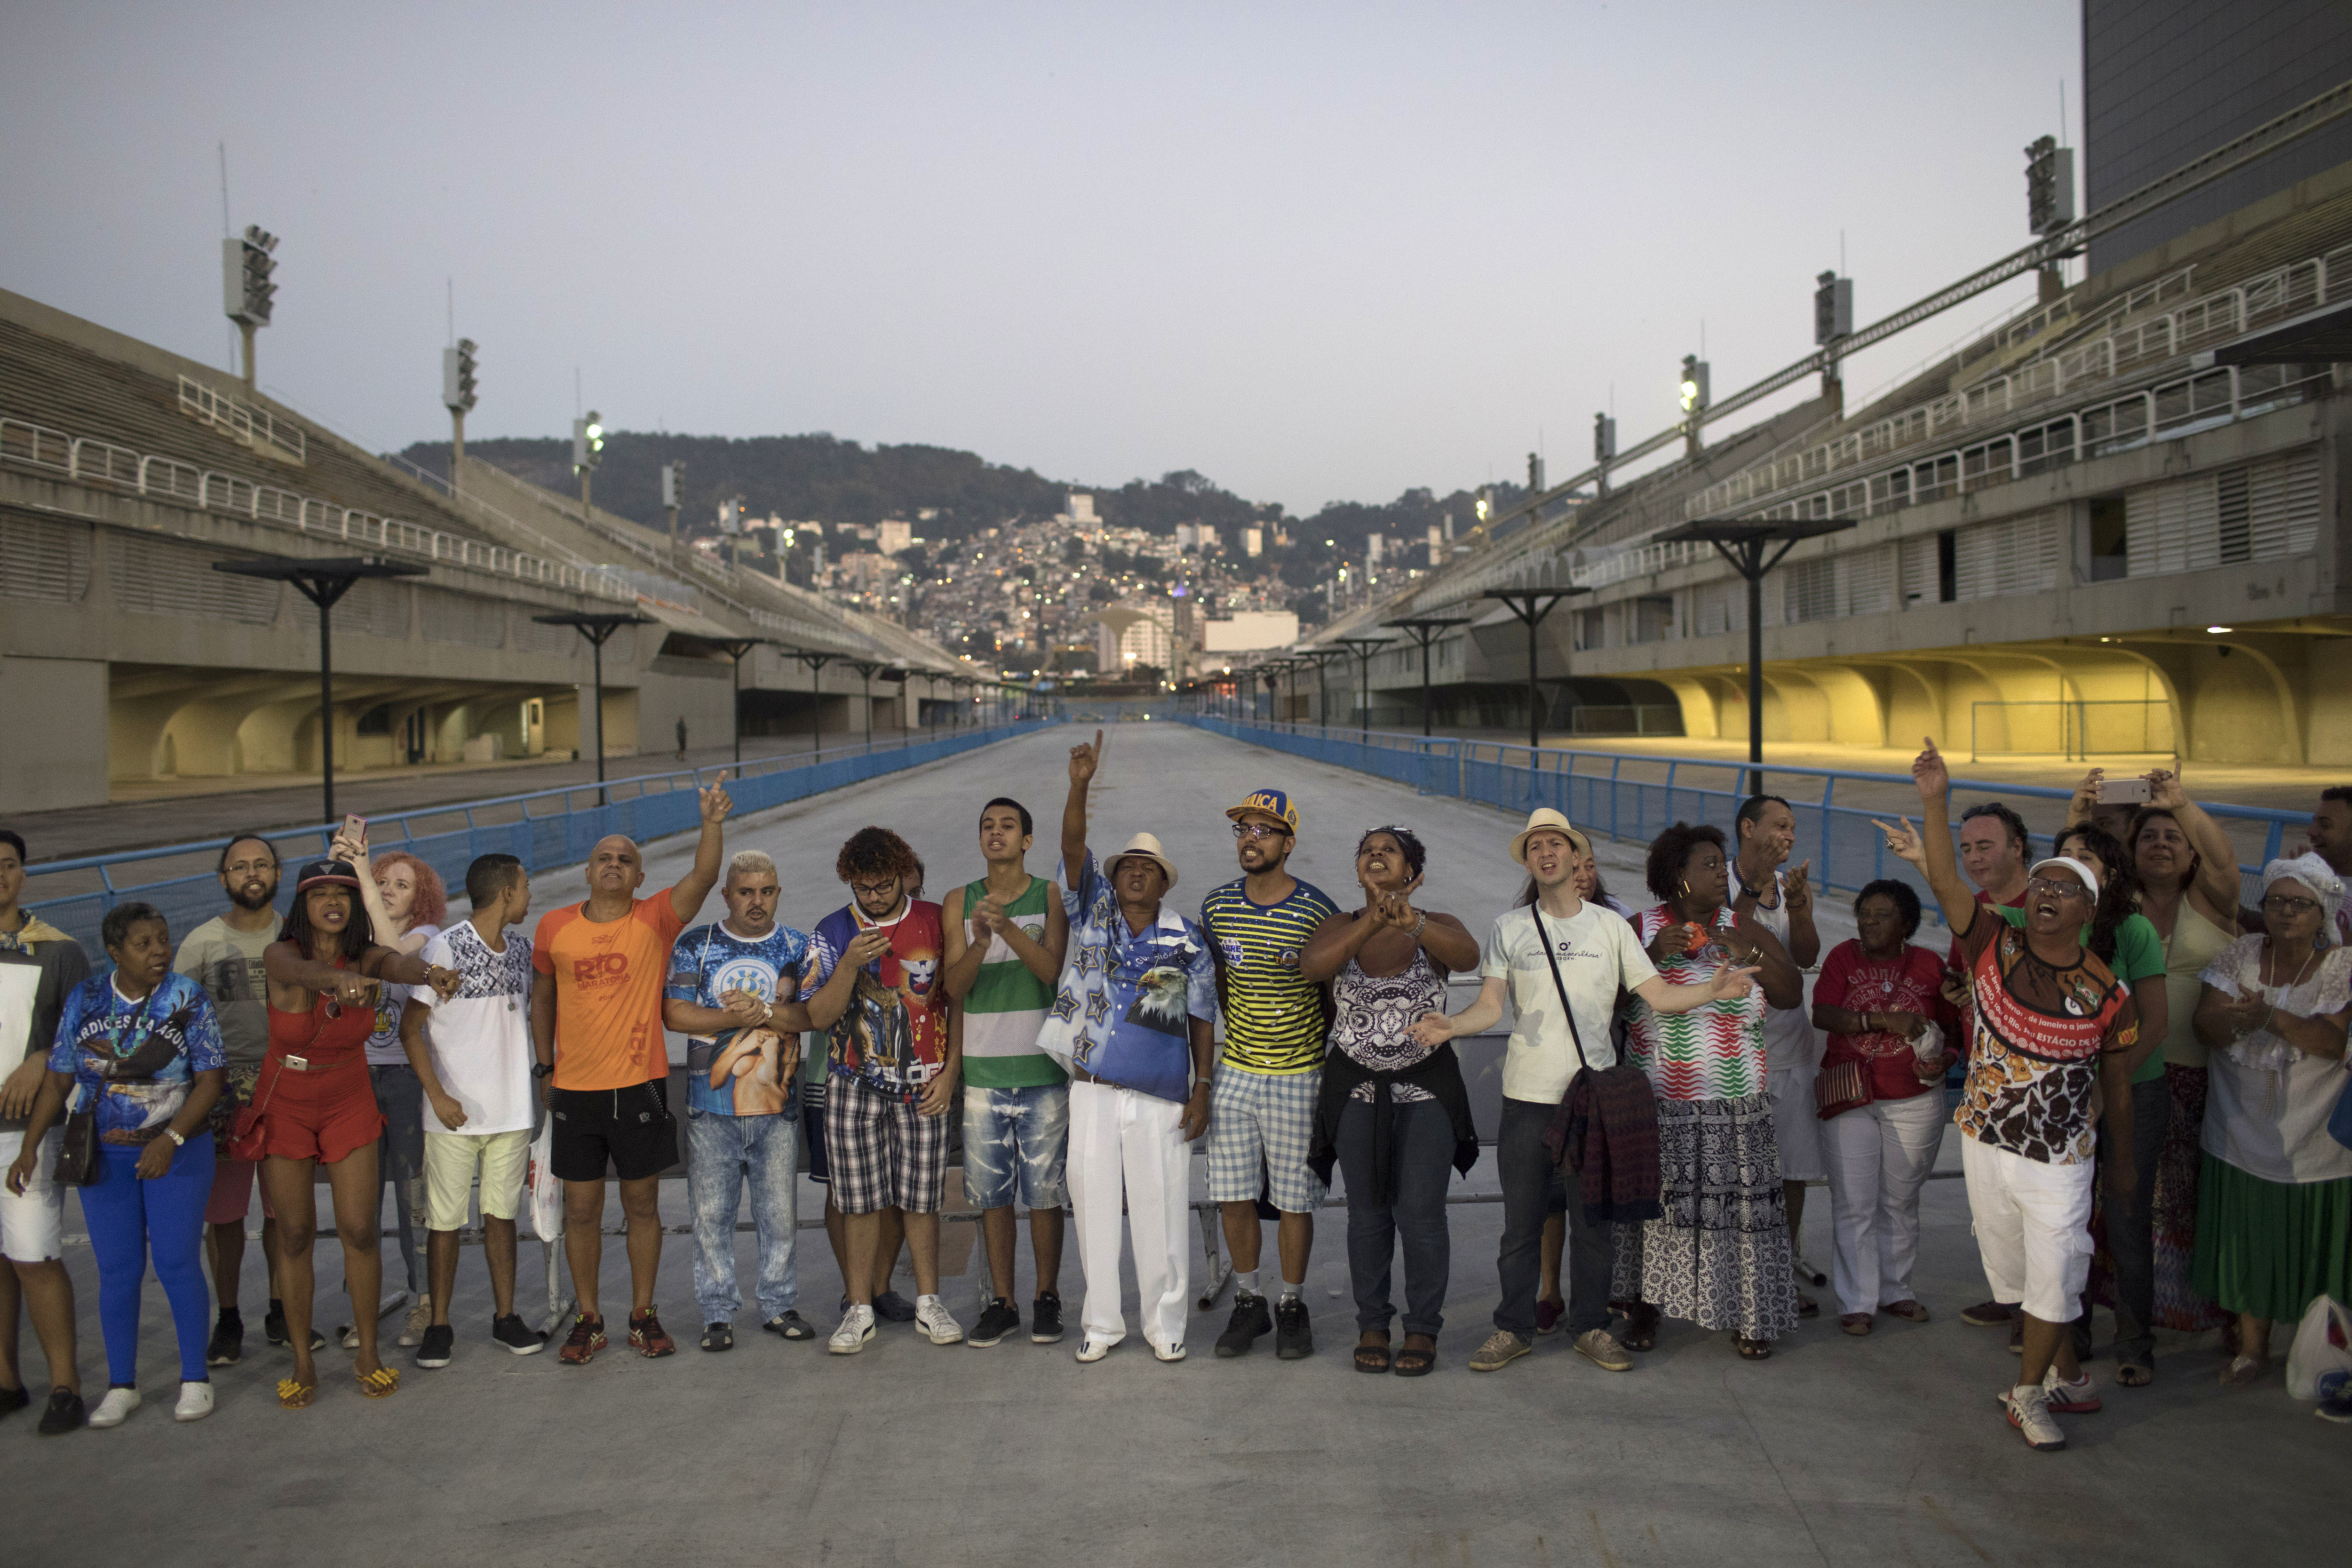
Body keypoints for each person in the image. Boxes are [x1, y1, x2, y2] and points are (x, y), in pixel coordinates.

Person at [1411, 808, 1763, 1375]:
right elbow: (1490, 1006)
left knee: (1593, 1226)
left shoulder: (1610, 928)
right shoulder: (1509, 928)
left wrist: (1711, 990)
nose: (1545, 853)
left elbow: (1656, 997)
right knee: (1520, 1227)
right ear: (1528, 861)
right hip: (1526, 1099)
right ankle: (1511, 1329)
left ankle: (1590, 1327)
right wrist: (1450, 1025)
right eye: (1535, 847)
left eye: (1555, 844)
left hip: (1593, 1099)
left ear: (1575, 857)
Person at [1878, 737, 2138, 1452]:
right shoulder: (1993, 945)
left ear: (2089, 910)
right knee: (2017, 1274)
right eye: (2043, 886)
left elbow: (2117, 1085)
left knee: (2057, 1269)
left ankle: (2026, 1395)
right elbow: (1945, 882)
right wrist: (1936, 799)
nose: (2048, 895)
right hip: (1986, 1138)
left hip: (2061, 1156)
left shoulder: (2107, 994)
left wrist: (2119, 1162)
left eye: (2066, 889)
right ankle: (2069, 1376)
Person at [532, 781, 733, 1366]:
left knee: (642, 1206)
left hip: (639, 1087)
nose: (614, 864)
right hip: (575, 1091)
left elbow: (703, 877)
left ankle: (643, 1314)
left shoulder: (655, 919)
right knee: (581, 1212)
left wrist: (712, 823)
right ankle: (588, 1318)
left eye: (625, 859)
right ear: (588, 872)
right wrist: (544, 1065)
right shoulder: (554, 927)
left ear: (640, 877)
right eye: (605, 858)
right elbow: (542, 996)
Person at [6, 903, 223, 1427]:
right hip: (103, 1153)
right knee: (118, 1270)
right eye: (144, 944)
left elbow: (211, 1080)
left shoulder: (188, 997)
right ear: (114, 952)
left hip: (177, 1152)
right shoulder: (86, 998)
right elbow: (59, 1078)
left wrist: (171, 1139)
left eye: (163, 940)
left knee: (176, 1262)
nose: (160, 951)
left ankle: (195, 1379)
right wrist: (30, 1146)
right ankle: (122, 1385)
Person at [1041, 730, 1216, 1362]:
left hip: (1161, 1094)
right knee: (1092, 1209)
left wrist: (1202, 1088)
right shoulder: (1093, 913)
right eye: (1126, 867)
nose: (1136, 873)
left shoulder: (1185, 940)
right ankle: (1102, 1324)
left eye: (1148, 869)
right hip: (1091, 1089)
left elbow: (1201, 1018)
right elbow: (1071, 847)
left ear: (1163, 885)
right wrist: (1079, 786)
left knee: (1160, 1210)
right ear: (1112, 879)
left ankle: (1165, 1325)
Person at [259, 860, 460, 1407]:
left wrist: (429, 974)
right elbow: (301, 974)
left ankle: (368, 1353)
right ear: (302, 905)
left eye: (342, 894)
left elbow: (396, 963)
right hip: (288, 1098)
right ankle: (303, 1362)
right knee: (294, 1232)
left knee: (359, 1230)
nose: (333, 902)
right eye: (319, 894)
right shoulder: (279, 954)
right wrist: (337, 981)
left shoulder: (366, 956)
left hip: (348, 1094)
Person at [1612, 821, 1805, 1360]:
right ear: (1677, 876)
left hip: (1735, 1099)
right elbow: (1603, 1002)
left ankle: (1749, 1315)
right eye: (1708, 865)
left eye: (1722, 865)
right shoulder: (1639, 928)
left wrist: (1747, 952)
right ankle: (1644, 1308)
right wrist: (1651, 955)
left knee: (1740, 1214)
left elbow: (1790, 995)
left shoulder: (1740, 926)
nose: (1722, 874)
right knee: (1659, 1211)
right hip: (1660, 1099)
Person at [1300, 827, 1478, 1376]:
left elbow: (1467, 956)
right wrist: (1372, 920)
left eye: (1389, 850)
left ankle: (1422, 1326)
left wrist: (1411, 923)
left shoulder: (1436, 924)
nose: (1375, 854)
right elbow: (1313, 967)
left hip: (1426, 1088)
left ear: (1412, 871)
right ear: (1358, 869)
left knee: (1420, 1212)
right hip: (1355, 1090)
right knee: (1367, 1213)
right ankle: (1372, 1323)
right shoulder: (1338, 926)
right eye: (1367, 850)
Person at [2082, 772, 2244, 1377]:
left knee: (2183, 1203)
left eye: (2173, 838)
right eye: (2147, 836)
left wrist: (2182, 805)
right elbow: (2071, 866)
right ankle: (2108, 1322)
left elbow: (2223, 863)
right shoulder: (2114, 906)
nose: (2159, 845)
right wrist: (2080, 808)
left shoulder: (2212, 901)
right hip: (2117, 1075)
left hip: (2195, 1080)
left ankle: (2185, 1313)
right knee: (2114, 1205)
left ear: (2190, 852)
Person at [2190, 853, 2352, 1386]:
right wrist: (2237, 1022)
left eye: (2299, 903)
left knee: (2316, 1240)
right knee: (2250, 1236)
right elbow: (2204, 1026)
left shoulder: (2342, 966)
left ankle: (2320, 1349)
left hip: (2315, 1132)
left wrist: (2269, 1018)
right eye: (2276, 900)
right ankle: (2252, 1349)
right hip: (2239, 1125)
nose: (2285, 911)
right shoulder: (2241, 953)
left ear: (2322, 912)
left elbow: (2331, 1042)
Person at [803, 826, 963, 1353]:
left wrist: (951, 1071)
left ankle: (929, 1302)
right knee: (857, 1201)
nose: (873, 897)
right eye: (862, 888)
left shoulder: (934, 919)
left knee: (922, 1197)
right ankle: (859, 1309)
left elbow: (956, 999)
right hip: (853, 1084)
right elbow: (818, 1015)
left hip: (924, 1082)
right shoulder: (832, 930)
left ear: (902, 875)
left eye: (883, 886)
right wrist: (849, 963)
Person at [1200, 786, 1339, 1361]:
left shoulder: (1317, 910)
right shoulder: (1216, 906)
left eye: (1262, 830)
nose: (1249, 840)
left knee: (1293, 1200)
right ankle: (1248, 1300)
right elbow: (1219, 983)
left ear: (1288, 843)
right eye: (1243, 830)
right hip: (1236, 1070)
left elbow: (1330, 997)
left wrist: (1303, 1052)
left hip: (1298, 1074)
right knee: (1232, 1194)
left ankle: (1290, 1304)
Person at [664, 849, 818, 1352]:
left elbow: (811, 1016)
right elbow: (675, 1014)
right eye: (746, 892)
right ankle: (717, 1312)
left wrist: (764, 1011)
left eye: (766, 892)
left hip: (777, 1111)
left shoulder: (798, 947)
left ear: (778, 893)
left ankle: (778, 1304)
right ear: (726, 894)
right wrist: (742, 1017)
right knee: (711, 1218)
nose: (757, 901)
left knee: (780, 1217)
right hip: (711, 1110)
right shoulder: (697, 944)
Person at [401, 853, 548, 1366]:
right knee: (444, 1222)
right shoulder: (445, 948)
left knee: (501, 1217)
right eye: (525, 886)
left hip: (511, 1113)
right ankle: (439, 1325)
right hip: (452, 1116)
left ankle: (505, 1317)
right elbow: (410, 1029)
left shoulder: (523, 952)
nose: (529, 895)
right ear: (506, 892)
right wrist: (438, 1096)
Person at [940, 796, 1072, 1349]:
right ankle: (1003, 1302)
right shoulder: (958, 900)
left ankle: (1046, 1296)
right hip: (983, 1073)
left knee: (1044, 1195)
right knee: (992, 1196)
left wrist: (1010, 930)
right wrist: (979, 942)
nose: (996, 833)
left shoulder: (1049, 895)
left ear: (1027, 841)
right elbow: (953, 987)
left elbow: (1050, 971)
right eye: (987, 826)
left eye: (1008, 826)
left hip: (1042, 1070)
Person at [2039, 814, 2169, 1364]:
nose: (2073, 865)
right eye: (2065, 856)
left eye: (2086, 857)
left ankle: (2135, 1344)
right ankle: (2070, 1336)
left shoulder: (2133, 931)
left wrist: (2105, 1090)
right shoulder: (2044, 929)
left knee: (2124, 1218)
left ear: (2109, 875)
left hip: (2131, 1094)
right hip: (2066, 1097)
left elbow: (2154, 1024)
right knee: (2067, 1221)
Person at [174, 832, 306, 1363]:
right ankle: (228, 1318)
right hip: (223, 1090)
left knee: (283, 1210)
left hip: (286, 1085)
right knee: (225, 1213)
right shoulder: (200, 943)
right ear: (223, 878)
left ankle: (281, 1309)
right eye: (240, 866)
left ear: (278, 873)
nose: (252, 873)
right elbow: (174, 1023)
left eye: (262, 864)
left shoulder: (297, 938)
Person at [1810, 879, 1958, 1334]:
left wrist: (1945, 1061)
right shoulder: (1843, 957)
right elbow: (1823, 1013)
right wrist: (1881, 1019)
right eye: (1864, 913)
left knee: (1900, 1201)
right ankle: (1857, 1301)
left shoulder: (1930, 964)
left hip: (1914, 1099)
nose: (1869, 922)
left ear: (1907, 924)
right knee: (1853, 1203)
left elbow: (1953, 1029)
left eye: (1882, 914)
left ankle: (1897, 1291)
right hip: (1851, 1096)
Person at [0, 828, 92, 1435]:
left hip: (23, 1135)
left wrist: (41, 1057)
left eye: (7, 864)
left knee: (34, 1256)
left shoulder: (58, 952)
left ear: (23, 874)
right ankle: (6, 1381)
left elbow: (85, 1032)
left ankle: (65, 1386)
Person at [336, 842, 442, 1353]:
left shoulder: (429, 937)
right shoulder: (352, 939)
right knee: (361, 1203)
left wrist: (362, 876)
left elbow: (393, 956)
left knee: (411, 1197)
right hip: (356, 1076)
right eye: (382, 882)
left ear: (420, 898)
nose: (388, 891)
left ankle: (422, 1300)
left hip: (404, 1080)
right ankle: (364, 1304)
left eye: (402, 885)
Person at [1730, 794, 1826, 1316]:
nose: (1789, 836)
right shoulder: (1717, 880)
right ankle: (1737, 1276)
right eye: (1779, 826)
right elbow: (1724, 939)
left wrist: (1799, 907)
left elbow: (1806, 955)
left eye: (1793, 827)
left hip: (1789, 1052)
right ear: (1748, 828)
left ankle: (1781, 1270)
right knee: (1737, 1175)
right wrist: (1751, 886)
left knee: (1790, 1172)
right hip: (1732, 1056)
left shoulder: (1790, 887)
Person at [1946, 799, 2036, 1333]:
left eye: (1986, 845)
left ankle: (2044, 1316)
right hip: (1983, 1078)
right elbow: (1960, 976)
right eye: (1965, 849)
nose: (1975, 858)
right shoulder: (1971, 906)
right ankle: (2011, 1294)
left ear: (2018, 847)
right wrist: (1955, 992)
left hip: (2038, 1081)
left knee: (2035, 1201)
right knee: (1991, 1202)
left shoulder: (2048, 902)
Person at [1534, 853, 1632, 1333]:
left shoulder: (1616, 923)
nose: (1583, 874)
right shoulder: (1529, 923)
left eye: (1589, 864)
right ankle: (1549, 1291)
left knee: (1595, 1196)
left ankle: (1597, 1299)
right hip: (1548, 1082)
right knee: (1553, 1195)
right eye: (1574, 865)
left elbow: (1633, 993)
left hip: (1603, 1079)